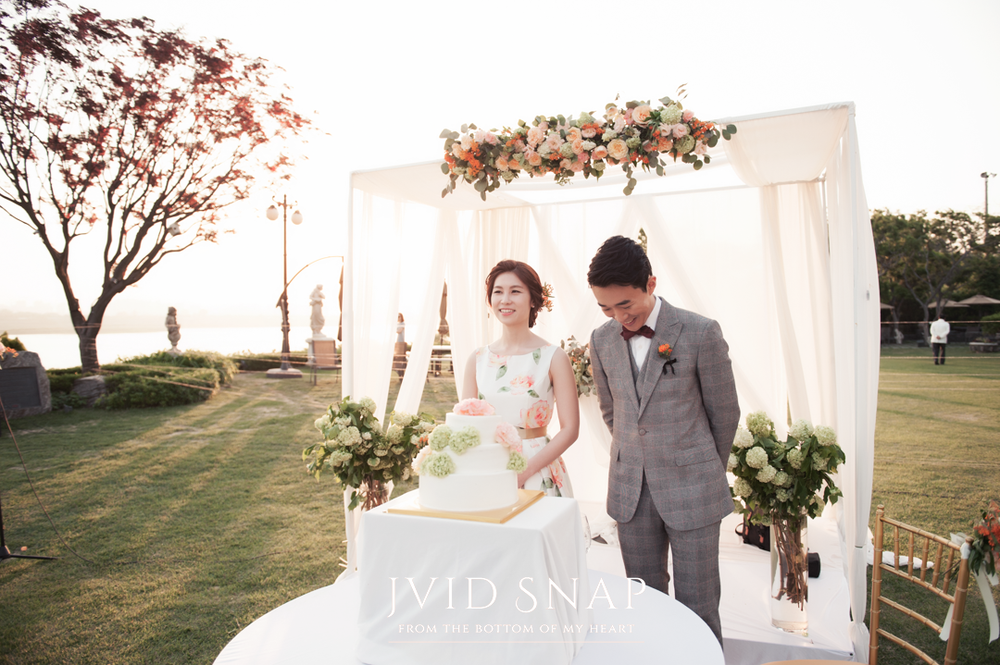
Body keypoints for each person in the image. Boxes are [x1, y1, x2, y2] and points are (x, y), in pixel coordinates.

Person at [586, 235, 739, 645]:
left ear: (650, 284)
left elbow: (725, 414)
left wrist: (701, 470)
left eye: (625, 304)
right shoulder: (600, 340)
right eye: (606, 308)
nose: (619, 317)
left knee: (698, 606)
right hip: (630, 493)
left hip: (694, 490)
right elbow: (612, 412)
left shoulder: (700, 331)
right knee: (643, 605)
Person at [461, 260, 579, 496]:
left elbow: (570, 429)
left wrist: (524, 472)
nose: (505, 299)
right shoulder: (478, 359)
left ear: (533, 299)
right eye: (498, 292)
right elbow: (465, 424)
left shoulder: (554, 357)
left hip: (538, 470)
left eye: (515, 291)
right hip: (488, 467)